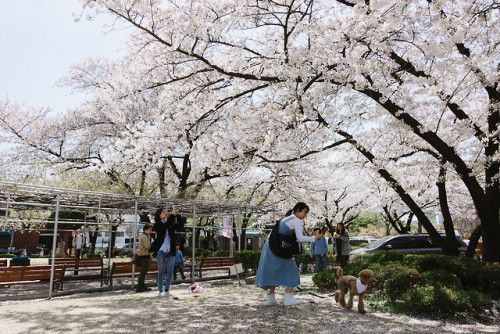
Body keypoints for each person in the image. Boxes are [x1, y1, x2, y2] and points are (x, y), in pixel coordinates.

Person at [255, 202, 324, 306]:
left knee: (274, 271)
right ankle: (288, 297)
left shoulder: (286, 218)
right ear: (297, 210)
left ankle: (271, 298)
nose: (306, 215)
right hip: (278, 247)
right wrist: (315, 238)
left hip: (271, 245)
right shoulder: (295, 220)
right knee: (293, 271)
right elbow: (300, 238)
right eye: (305, 212)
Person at [150, 207, 185, 297]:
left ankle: (167, 290)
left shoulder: (170, 223)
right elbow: (163, 228)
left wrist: (177, 215)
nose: (165, 213)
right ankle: (160, 291)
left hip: (171, 250)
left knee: (170, 270)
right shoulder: (157, 224)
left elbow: (181, 225)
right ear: (159, 215)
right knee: (161, 271)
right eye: (163, 212)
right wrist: (172, 215)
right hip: (161, 250)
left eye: (166, 212)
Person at [136, 223, 153, 292]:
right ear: (145, 230)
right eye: (149, 230)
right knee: (143, 273)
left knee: (143, 273)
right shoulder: (144, 236)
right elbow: (148, 246)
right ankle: (140, 287)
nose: (150, 231)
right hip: (145, 256)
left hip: (144, 256)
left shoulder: (144, 236)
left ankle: (142, 286)